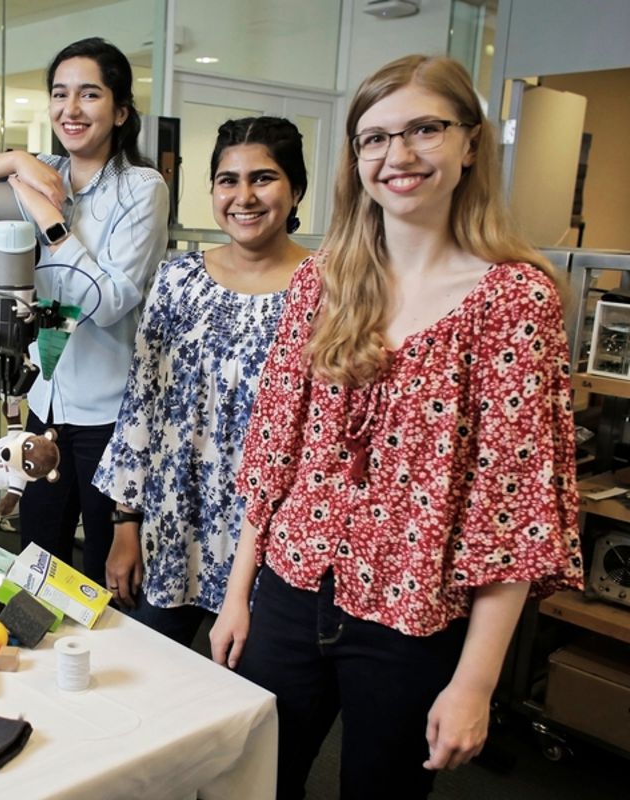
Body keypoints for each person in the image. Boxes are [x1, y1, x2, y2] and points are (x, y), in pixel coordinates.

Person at [209, 55, 584, 799]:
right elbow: (273, 447)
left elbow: (510, 513)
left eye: (425, 130)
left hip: (412, 613)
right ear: (355, 157)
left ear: (470, 143)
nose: (399, 155)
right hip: (290, 584)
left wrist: (475, 683)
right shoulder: (324, 279)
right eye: (375, 138)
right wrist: (237, 592)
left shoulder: (515, 300)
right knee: (245, 782)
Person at [0, 37, 169, 581]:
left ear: (121, 110)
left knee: (109, 573)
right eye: (59, 94)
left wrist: (51, 225)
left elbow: (107, 302)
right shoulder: (36, 172)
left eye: (89, 94)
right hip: (45, 403)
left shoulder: (141, 189)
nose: (70, 110)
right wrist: (9, 161)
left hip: (109, 416)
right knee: (39, 560)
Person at [93, 117, 309, 645]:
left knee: (254, 697)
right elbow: (141, 405)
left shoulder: (329, 286)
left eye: (264, 178)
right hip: (176, 520)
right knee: (149, 673)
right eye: (228, 180)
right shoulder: (177, 279)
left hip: (271, 536)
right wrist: (126, 524)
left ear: (296, 188)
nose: (244, 196)